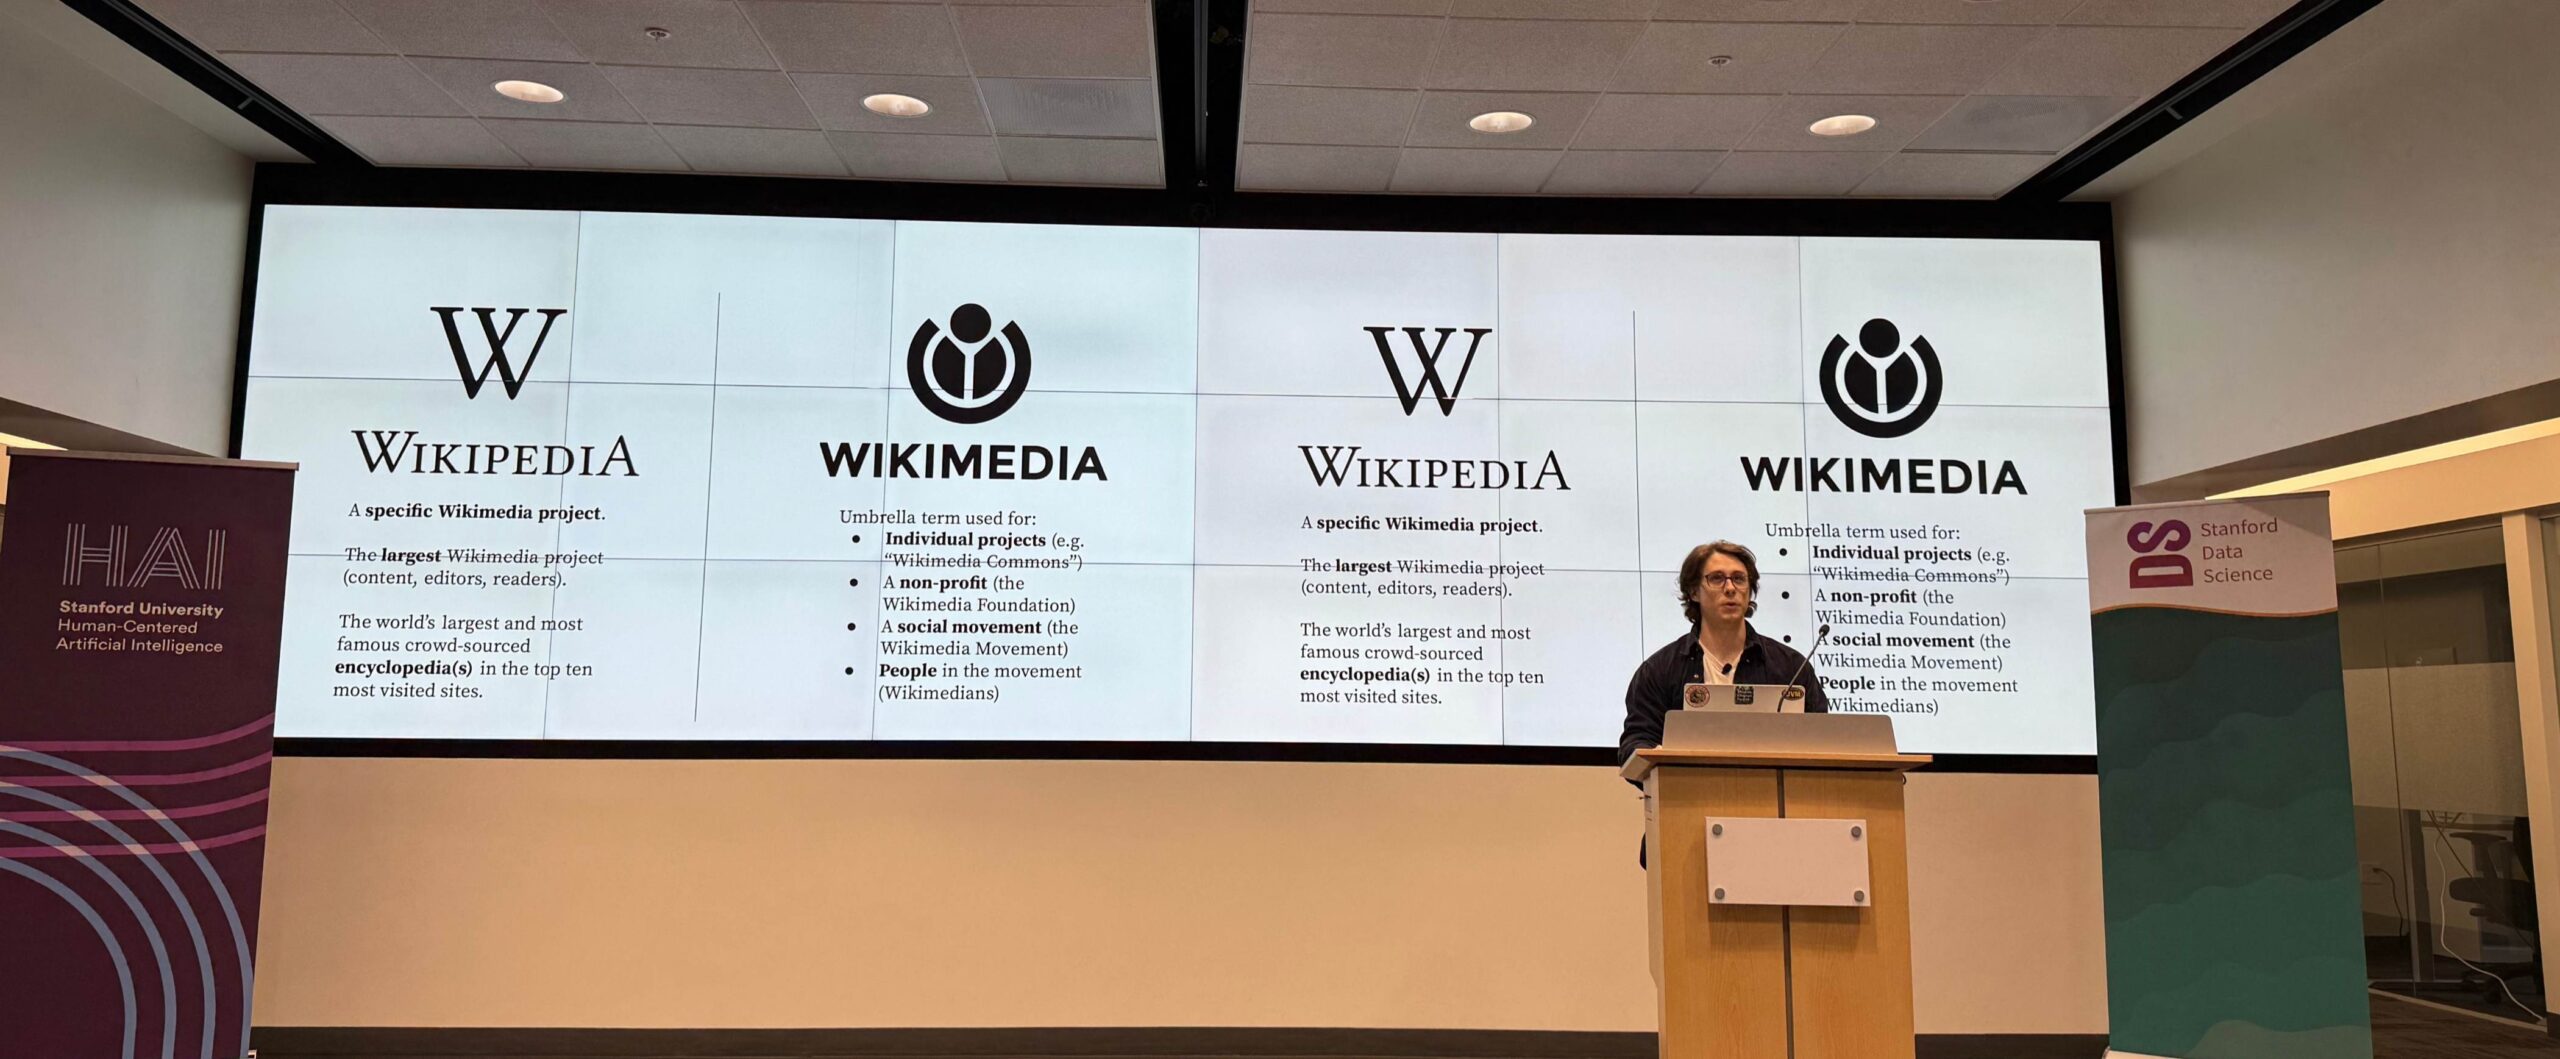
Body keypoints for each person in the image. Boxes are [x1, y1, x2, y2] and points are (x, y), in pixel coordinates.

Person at [1620, 539, 1830, 780]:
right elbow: (1635, 743)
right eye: (1717, 578)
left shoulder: (1790, 667)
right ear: (1693, 592)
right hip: (1686, 801)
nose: (1730, 588)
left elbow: (1822, 740)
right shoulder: (1660, 670)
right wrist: (1664, 767)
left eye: (1739, 579)